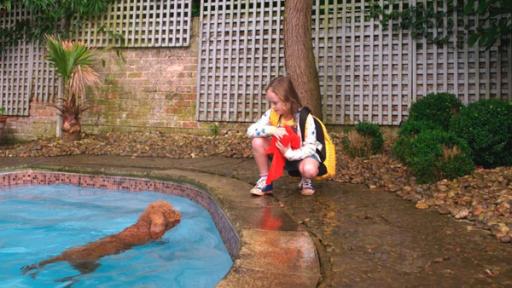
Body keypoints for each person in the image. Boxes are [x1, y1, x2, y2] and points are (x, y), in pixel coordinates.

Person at [247, 76, 322, 196]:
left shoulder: (304, 118)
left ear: (288, 101)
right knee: (257, 141)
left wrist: (289, 153)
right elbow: (250, 130)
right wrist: (272, 130)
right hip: (280, 153)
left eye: (275, 103)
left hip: (302, 155)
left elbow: (310, 148)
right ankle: (265, 180)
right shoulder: (272, 114)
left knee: (309, 170)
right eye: (271, 103)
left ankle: (306, 180)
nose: (272, 106)